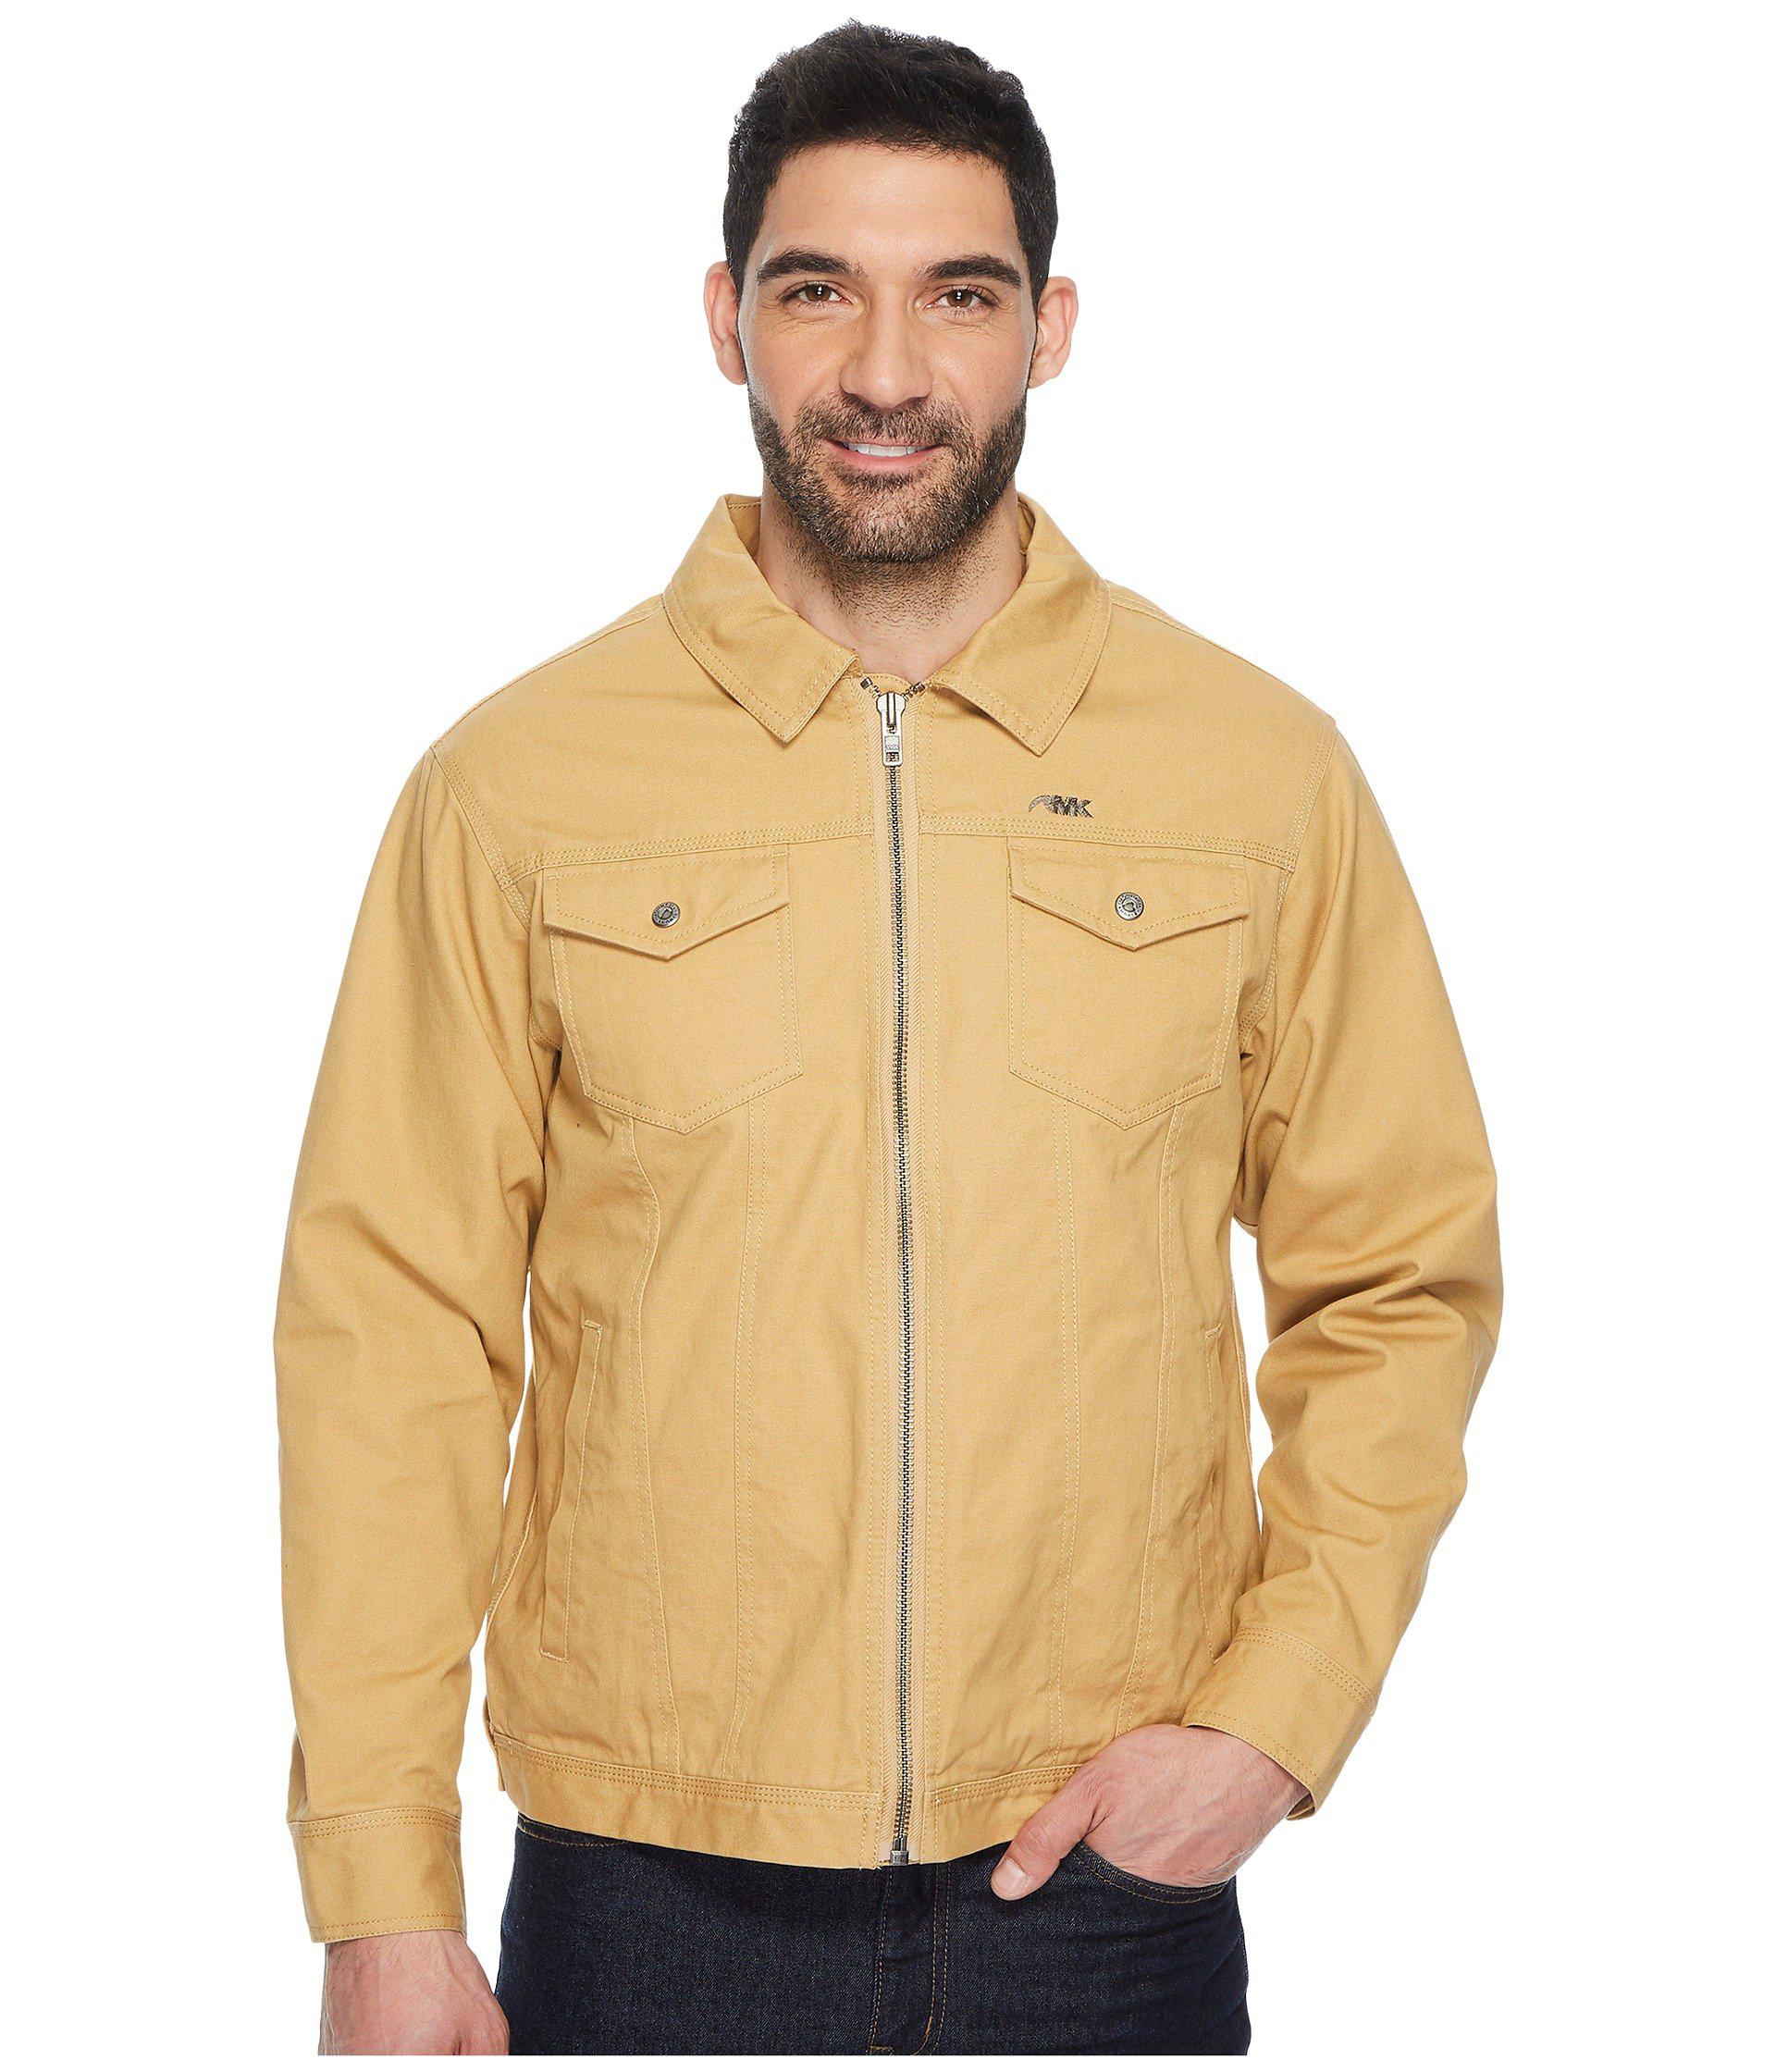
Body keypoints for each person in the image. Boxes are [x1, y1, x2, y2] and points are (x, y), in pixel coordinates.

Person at [275, 20, 1503, 2054]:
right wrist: (381, 1893)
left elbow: (1399, 1281)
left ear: (1052, 329)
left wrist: (1272, 1724)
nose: (884, 371)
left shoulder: (1259, 775)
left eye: (961, 294)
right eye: (816, 289)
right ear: (725, 321)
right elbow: (390, 1339)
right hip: (643, 1885)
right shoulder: (517, 787)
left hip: (1099, 1876)